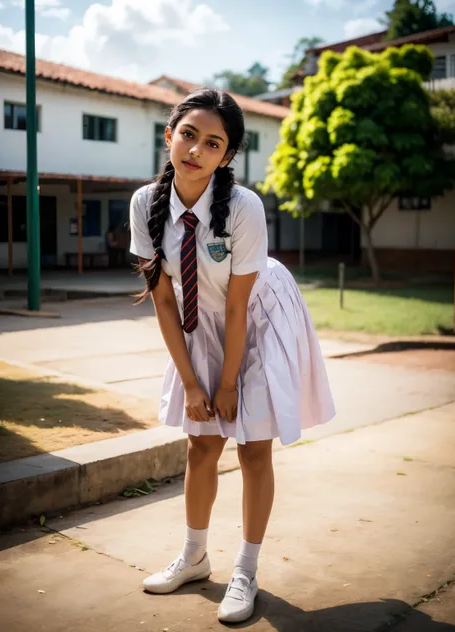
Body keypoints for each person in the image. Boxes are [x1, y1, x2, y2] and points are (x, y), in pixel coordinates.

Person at [129, 88, 335, 624]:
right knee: (200, 447)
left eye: (212, 143)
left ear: (226, 156)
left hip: (259, 320)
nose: (196, 149)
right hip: (200, 323)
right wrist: (194, 384)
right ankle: (194, 557)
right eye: (188, 134)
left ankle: (246, 570)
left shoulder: (243, 207)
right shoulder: (144, 204)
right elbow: (164, 301)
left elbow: (240, 306)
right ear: (169, 135)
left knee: (251, 452)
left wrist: (225, 386)